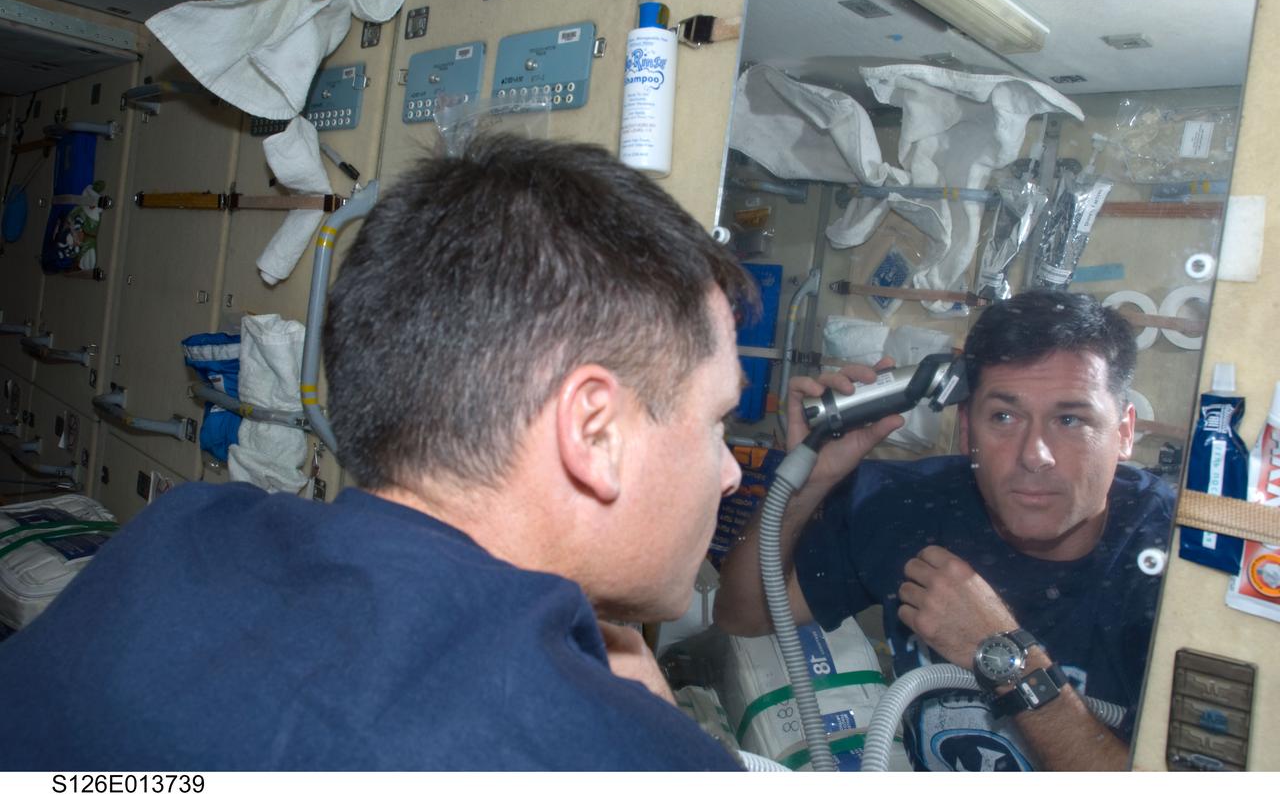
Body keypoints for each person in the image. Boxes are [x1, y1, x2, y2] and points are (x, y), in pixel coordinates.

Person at [0, 135, 757, 771]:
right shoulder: (600, 757)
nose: (729, 473)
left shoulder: (186, 531)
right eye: (718, 421)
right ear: (594, 432)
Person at [714, 290, 1174, 772]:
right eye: (1004, 417)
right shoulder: (910, 505)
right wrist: (808, 483)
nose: (1034, 455)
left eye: (1070, 419)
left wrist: (1001, 652)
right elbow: (743, 614)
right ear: (967, 430)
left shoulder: (1171, 565)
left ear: (1124, 433)